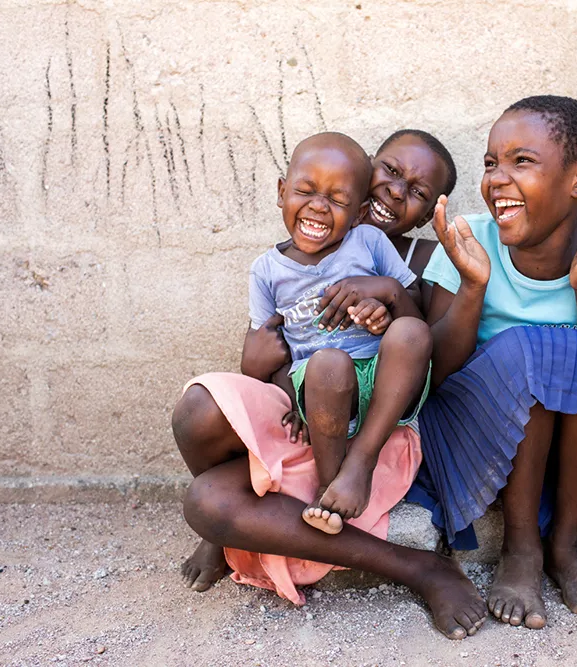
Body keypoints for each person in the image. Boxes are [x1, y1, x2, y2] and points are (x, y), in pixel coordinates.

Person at [174, 132, 487, 639]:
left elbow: (428, 350)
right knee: (198, 412)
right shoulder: (288, 253)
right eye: (389, 171)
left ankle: (417, 566)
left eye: (417, 191)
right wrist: (261, 365)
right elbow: (270, 348)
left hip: (375, 425)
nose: (394, 191)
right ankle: (228, 532)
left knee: (210, 501)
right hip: (307, 411)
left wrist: (392, 294)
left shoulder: (422, 256)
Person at [408, 95, 577, 630]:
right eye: (491, 162)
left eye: (521, 161)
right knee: (530, 353)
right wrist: (473, 287)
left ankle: (567, 545)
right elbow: (436, 371)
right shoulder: (470, 239)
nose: (497, 178)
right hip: (473, 430)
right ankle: (521, 549)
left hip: (573, 441)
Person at [246, 131, 432, 534]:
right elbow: (266, 347)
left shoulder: (369, 241)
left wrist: (384, 308)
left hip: (384, 384)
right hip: (321, 390)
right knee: (328, 363)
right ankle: (329, 488)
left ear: (359, 211)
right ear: (281, 192)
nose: (318, 205)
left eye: (338, 199)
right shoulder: (266, 270)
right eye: (305, 191)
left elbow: (412, 305)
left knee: (412, 332)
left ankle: (360, 465)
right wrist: (292, 403)